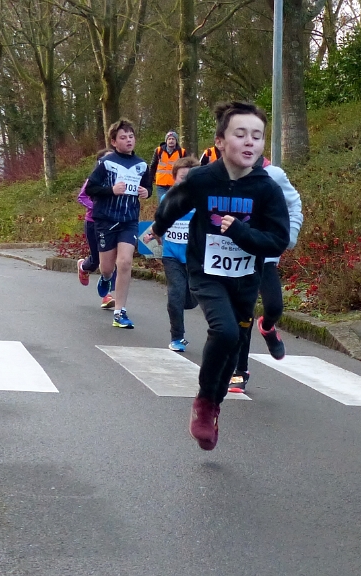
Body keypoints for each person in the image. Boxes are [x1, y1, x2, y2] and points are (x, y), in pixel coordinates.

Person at [147, 101, 290, 451]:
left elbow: (278, 239)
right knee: (223, 331)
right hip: (205, 270)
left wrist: (241, 232)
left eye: (257, 136)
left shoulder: (266, 188)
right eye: (240, 134)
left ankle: (215, 403)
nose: (250, 142)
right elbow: (173, 204)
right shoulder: (202, 179)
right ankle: (204, 402)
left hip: (245, 277)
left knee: (235, 340)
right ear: (221, 142)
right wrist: (158, 227)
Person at [228, 159, 304, 392]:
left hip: (265, 254)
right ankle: (240, 370)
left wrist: (289, 235)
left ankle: (268, 326)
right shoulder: (222, 172)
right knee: (243, 313)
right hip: (236, 255)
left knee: (274, 307)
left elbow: (294, 204)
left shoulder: (274, 174)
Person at [84, 118, 152, 329]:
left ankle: (120, 312)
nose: (128, 140)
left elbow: (148, 187)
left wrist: (146, 192)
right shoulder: (106, 163)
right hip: (106, 220)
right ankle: (105, 278)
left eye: (131, 136)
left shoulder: (142, 165)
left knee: (124, 262)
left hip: (129, 220)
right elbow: (90, 189)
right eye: (123, 137)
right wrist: (111, 191)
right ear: (114, 142)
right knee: (107, 268)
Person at [160, 156, 201, 352]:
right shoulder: (167, 199)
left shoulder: (203, 201)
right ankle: (177, 337)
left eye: (191, 178)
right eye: (182, 178)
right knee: (175, 295)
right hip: (172, 256)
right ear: (174, 178)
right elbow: (160, 221)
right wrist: (154, 233)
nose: (186, 182)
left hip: (195, 258)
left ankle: (183, 302)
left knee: (190, 300)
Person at [76, 149, 115, 309]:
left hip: (113, 223)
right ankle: (83, 266)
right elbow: (82, 197)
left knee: (112, 260)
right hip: (93, 222)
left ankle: (107, 295)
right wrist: (98, 207)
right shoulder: (93, 179)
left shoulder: (119, 179)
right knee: (96, 259)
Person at [148, 131, 184, 197]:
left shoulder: (181, 152)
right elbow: (153, 166)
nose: (171, 141)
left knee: (173, 202)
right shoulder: (159, 150)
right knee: (163, 201)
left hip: (175, 184)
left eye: (173, 139)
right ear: (166, 141)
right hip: (161, 184)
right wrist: (149, 180)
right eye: (169, 139)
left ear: (176, 141)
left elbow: (185, 168)